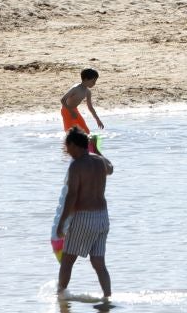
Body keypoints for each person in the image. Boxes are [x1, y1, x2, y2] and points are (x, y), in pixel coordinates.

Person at [57, 126, 114, 303]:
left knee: (67, 260)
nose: (66, 151)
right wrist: (97, 150)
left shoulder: (76, 165)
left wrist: (62, 222)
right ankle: (107, 299)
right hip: (103, 218)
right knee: (99, 263)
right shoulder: (99, 161)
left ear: (74, 145)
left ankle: (60, 299)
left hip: (84, 217)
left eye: (67, 146)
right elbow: (111, 168)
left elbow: (72, 195)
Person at [62, 68, 104, 133]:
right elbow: (62, 100)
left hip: (75, 110)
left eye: (95, 81)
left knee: (86, 132)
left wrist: (98, 120)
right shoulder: (75, 88)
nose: (94, 84)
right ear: (86, 79)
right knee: (70, 133)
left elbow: (90, 107)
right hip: (66, 110)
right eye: (93, 81)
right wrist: (70, 111)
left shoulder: (87, 92)